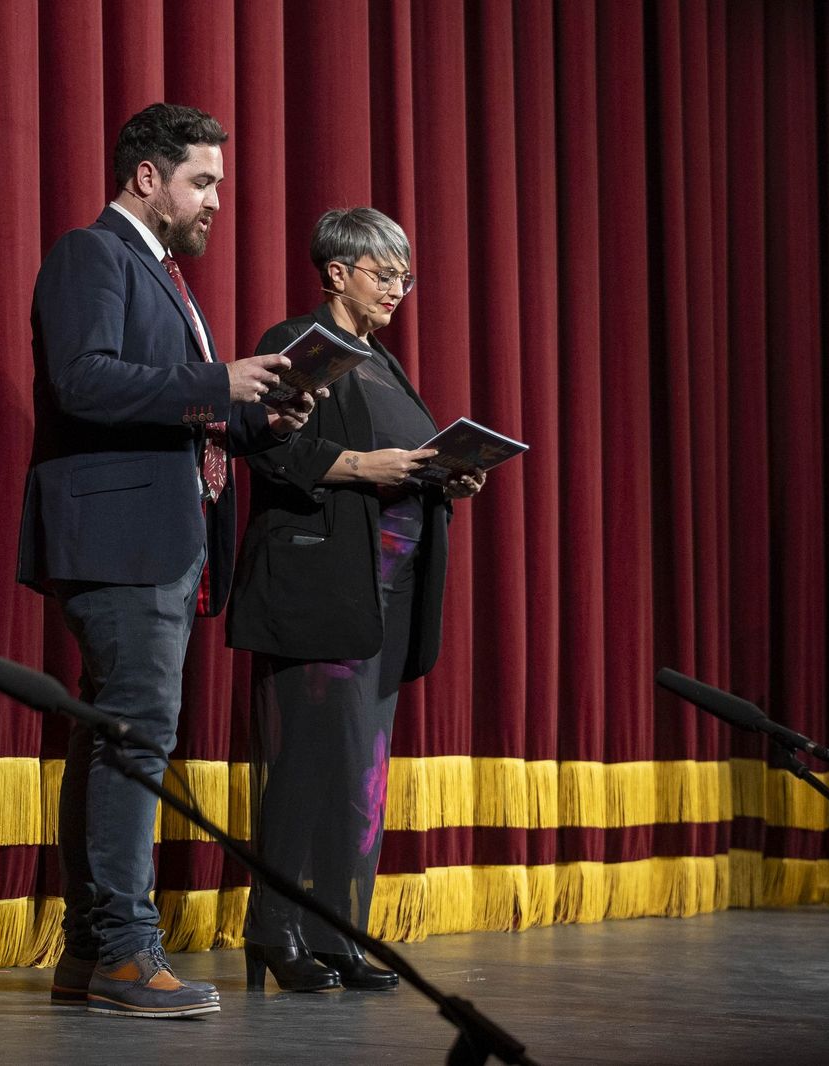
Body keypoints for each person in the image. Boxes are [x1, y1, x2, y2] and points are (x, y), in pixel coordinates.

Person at [18, 103, 316, 1019]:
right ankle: (124, 951)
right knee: (135, 737)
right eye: (203, 181)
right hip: (121, 539)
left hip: (163, 541)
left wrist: (260, 417)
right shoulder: (92, 254)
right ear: (147, 177)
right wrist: (217, 381)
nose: (217, 201)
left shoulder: (167, 279)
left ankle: (89, 951)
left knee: (115, 736)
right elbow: (85, 381)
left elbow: (178, 410)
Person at [226, 207, 486, 993]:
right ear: (337, 273)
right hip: (321, 590)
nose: (398, 288)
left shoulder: (385, 363)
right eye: (385, 274)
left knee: (359, 776)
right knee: (307, 766)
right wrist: (360, 467)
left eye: (406, 276)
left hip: (387, 600)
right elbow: (268, 446)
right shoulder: (301, 345)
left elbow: (407, 460)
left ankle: (338, 935)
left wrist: (448, 477)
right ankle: (275, 932)